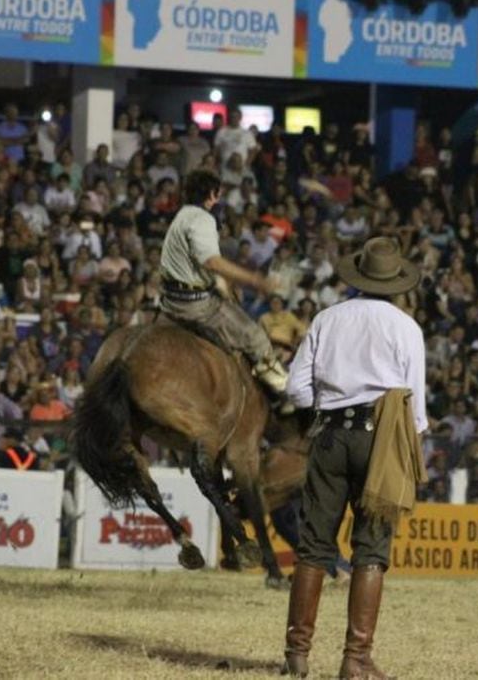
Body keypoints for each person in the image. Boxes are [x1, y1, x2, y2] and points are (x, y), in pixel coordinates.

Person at [282, 237, 427, 679]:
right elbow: (416, 410)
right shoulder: (406, 327)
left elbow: (295, 388)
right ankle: (356, 659)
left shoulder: (327, 318)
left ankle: (297, 653)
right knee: (371, 549)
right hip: (381, 438)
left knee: (313, 545)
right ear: (396, 282)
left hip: (328, 434)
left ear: (358, 277)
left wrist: (324, 406)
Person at [159, 170, 289, 401]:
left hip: (170, 299)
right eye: (217, 194)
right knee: (254, 336)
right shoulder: (202, 219)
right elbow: (212, 261)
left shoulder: (182, 215)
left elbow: (202, 264)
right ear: (212, 195)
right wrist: (256, 281)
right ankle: (285, 394)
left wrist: (223, 284)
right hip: (195, 306)